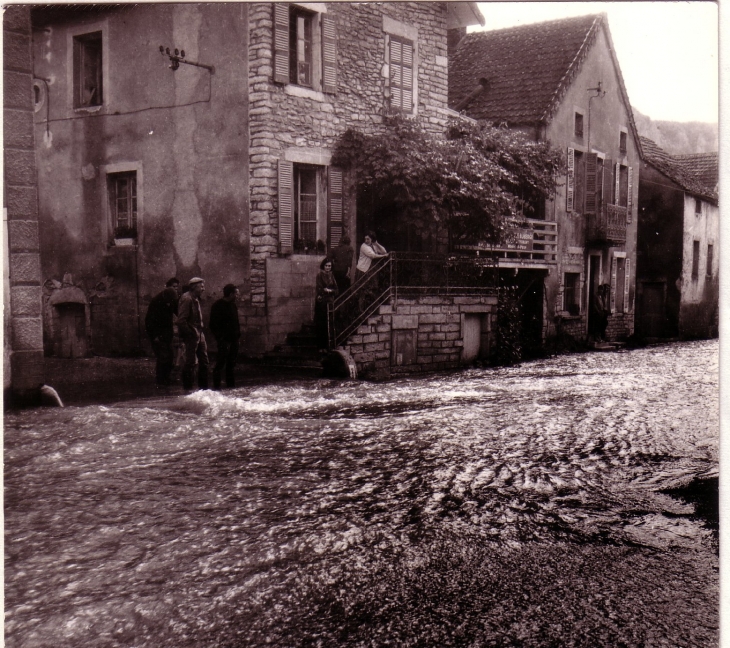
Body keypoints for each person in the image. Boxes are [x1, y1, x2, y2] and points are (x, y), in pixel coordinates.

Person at [177, 276, 209, 391]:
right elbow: (181, 320)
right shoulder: (187, 299)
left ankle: (203, 389)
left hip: (199, 333)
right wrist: (190, 333)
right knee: (190, 362)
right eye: (201, 286)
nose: (203, 289)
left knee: (204, 361)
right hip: (193, 334)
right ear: (194, 287)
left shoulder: (195, 298)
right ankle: (188, 389)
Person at [145, 285, 178, 386]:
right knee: (163, 357)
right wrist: (155, 336)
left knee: (170, 356)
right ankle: (160, 380)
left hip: (167, 333)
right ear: (166, 297)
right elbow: (149, 321)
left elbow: (176, 311)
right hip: (158, 334)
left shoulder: (171, 300)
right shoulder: (156, 302)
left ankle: (166, 378)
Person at [209, 284, 241, 390]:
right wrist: (220, 338)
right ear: (231, 294)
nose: (238, 295)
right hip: (224, 340)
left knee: (231, 364)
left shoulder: (233, 305)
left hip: (234, 340)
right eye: (236, 293)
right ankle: (216, 387)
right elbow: (213, 324)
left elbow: (236, 322)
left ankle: (230, 387)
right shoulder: (218, 306)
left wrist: (237, 336)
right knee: (221, 363)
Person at [315, 257, 339, 351]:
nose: (328, 268)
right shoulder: (319, 275)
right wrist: (328, 291)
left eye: (329, 266)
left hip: (330, 303)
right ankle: (321, 347)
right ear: (323, 266)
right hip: (322, 303)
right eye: (326, 266)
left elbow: (337, 290)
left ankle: (329, 345)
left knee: (330, 324)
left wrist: (330, 291)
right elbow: (320, 289)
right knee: (322, 324)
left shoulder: (332, 276)